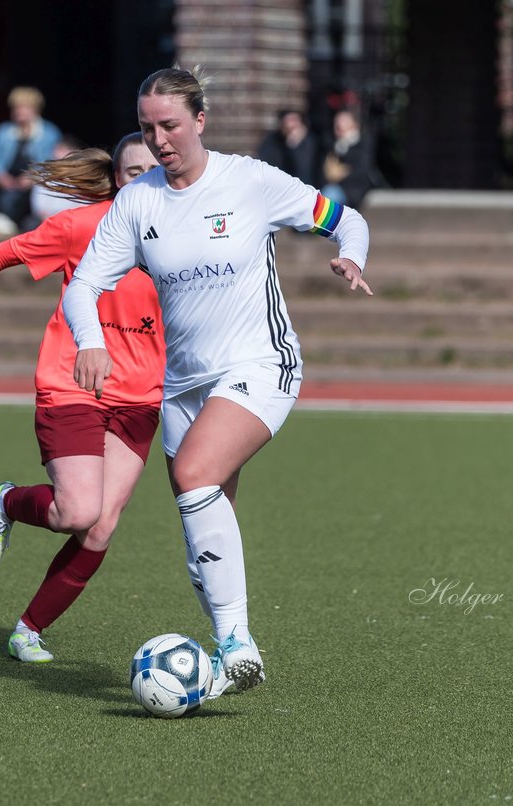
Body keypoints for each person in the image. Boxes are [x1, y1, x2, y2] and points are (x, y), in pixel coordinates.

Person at [62, 67, 373, 693]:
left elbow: (347, 219)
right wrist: (91, 341)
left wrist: (351, 256)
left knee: (193, 474)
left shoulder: (250, 181)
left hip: (261, 364)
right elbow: (84, 286)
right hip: (184, 387)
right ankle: (227, 651)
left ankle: (237, 642)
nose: (160, 140)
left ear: (200, 120)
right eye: (149, 129)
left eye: (171, 125)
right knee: (204, 528)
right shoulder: (139, 200)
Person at [0, 134, 164, 665]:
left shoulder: (186, 236)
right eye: (132, 171)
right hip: (75, 384)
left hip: (142, 395)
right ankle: (6, 501)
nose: (144, 178)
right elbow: (1, 253)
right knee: (76, 511)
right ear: (118, 179)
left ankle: (28, 629)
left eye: (153, 168)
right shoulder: (83, 225)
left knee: (103, 524)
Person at [0, 86, 62, 236]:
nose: (19, 112)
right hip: (6, 184)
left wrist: (32, 177)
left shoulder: (49, 133)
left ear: (35, 109)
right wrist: (0, 176)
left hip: (34, 184)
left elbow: (53, 162)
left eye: (24, 108)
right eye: (16, 108)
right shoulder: (2, 132)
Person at [321, 108, 378, 208]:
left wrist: (338, 175)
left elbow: (361, 170)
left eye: (343, 122)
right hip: (332, 188)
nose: (338, 125)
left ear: (354, 125)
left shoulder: (362, 143)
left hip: (352, 190)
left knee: (329, 197)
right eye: (336, 122)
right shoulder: (331, 144)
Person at [256, 109, 321, 186]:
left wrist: (296, 147)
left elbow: (305, 172)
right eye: (287, 127)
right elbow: (268, 166)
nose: (290, 127)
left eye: (294, 126)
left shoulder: (313, 142)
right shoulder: (273, 142)